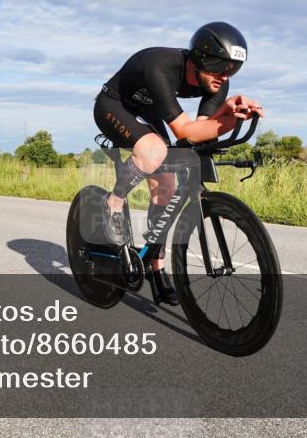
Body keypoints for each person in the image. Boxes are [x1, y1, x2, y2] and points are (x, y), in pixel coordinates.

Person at [93, 22, 263, 305]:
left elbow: (201, 129)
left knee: (166, 187)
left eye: (232, 68)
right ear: (198, 58)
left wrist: (227, 109)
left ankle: (155, 268)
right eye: (218, 65)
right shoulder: (160, 65)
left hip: (148, 109)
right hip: (114, 105)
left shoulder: (219, 84)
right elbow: (183, 132)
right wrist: (229, 120)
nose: (224, 75)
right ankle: (113, 202)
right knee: (153, 150)